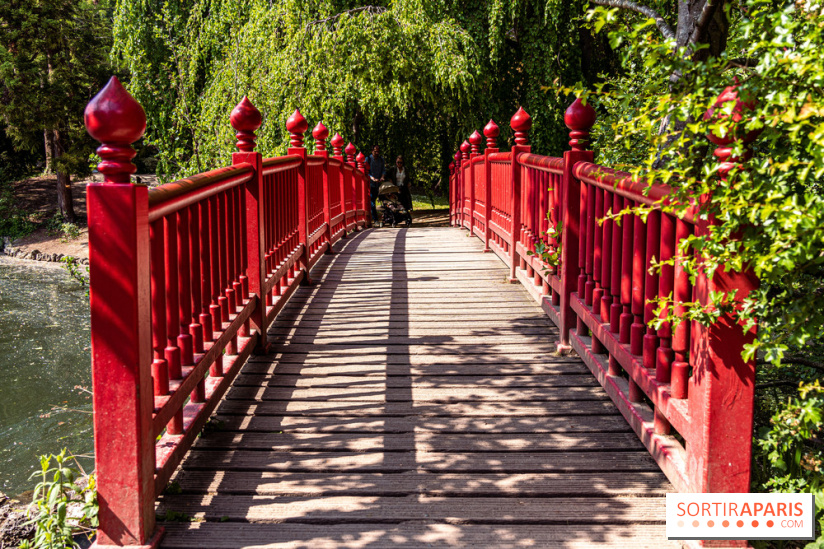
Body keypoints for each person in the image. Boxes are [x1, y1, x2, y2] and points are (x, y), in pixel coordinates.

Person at [366, 145, 386, 222]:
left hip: (379, 184)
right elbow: (365, 171)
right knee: (372, 202)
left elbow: (383, 170)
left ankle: (386, 218)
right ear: (372, 151)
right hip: (371, 184)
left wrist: (382, 177)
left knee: (384, 201)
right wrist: (372, 178)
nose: (377, 153)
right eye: (375, 151)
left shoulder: (381, 159)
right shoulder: (368, 159)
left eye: (378, 151)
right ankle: (375, 219)